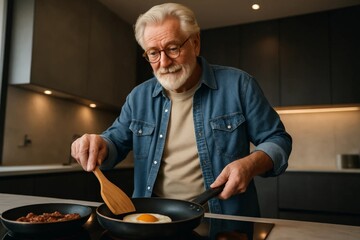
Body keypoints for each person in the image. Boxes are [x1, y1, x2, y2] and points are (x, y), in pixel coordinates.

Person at [71, 3, 292, 217]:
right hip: (151, 220)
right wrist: (98, 144)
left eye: (173, 48)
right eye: (153, 53)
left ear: (195, 43)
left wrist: (250, 164)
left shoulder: (239, 85)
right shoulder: (138, 97)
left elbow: (278, 140)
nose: (164, 62)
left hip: (223, 219)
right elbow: (114, 142)